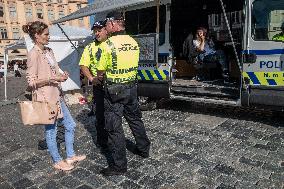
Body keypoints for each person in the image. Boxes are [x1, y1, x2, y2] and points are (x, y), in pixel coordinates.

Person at [22, 21, 86, 171]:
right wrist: (52, 79)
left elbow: (54, 70)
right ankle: (57, 161)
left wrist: (61, 75)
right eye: (46, 34)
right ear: (37, 36)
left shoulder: (49, 51)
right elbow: (31, 82)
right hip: (45, 99)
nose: (48, 36)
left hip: (57, 95)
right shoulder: (33, 54)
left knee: (70, 125)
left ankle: (70, 156)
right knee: (51, 131)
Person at [96, 11, 151, 176]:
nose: (105, 27)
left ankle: (119, 166)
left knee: (114, 128)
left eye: (106, 24)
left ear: (112, 23)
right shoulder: (133, 42)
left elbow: (100, 72)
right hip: (132, 88)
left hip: (114, 92)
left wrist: (100, 79)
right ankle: (144, 149)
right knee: (135, 119)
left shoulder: (107, 45)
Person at [79, 20, 108, 149]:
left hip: (114, 85)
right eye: (95, 31)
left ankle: (115, 139)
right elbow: (83, 65)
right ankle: (103, 142)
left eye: (99, 30)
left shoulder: (112, 44)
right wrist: (91, 78)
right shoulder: (90, 47)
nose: (97, 33)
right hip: (99, 86)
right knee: (100, 115)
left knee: (114, 116)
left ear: (106, 30)